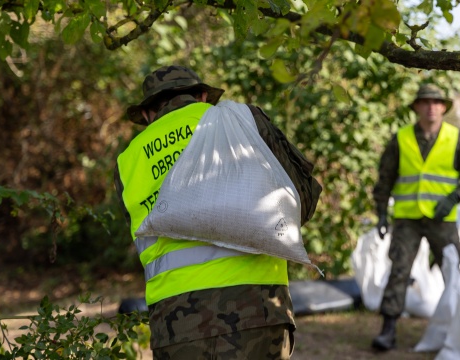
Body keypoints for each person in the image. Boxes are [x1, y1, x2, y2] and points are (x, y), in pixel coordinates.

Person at [114, 65, 321, 359]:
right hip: (258, 311)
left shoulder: (127, 162)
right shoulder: (243, 122)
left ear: (147, 113)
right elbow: (302, 201)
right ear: (202, 96)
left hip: (175, 325)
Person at [370, 83, 460, 351]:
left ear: (444, 107)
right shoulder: (401, 138)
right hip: (407, 219)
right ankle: (388, 329)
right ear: (417, 107)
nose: (431, 107)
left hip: (442, 220)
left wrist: (454, 198)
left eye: (436, 102)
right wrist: (382, 213)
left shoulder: (456, 139)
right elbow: (385, 179)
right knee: (398, 270)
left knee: (453, 271)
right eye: (425, 102)